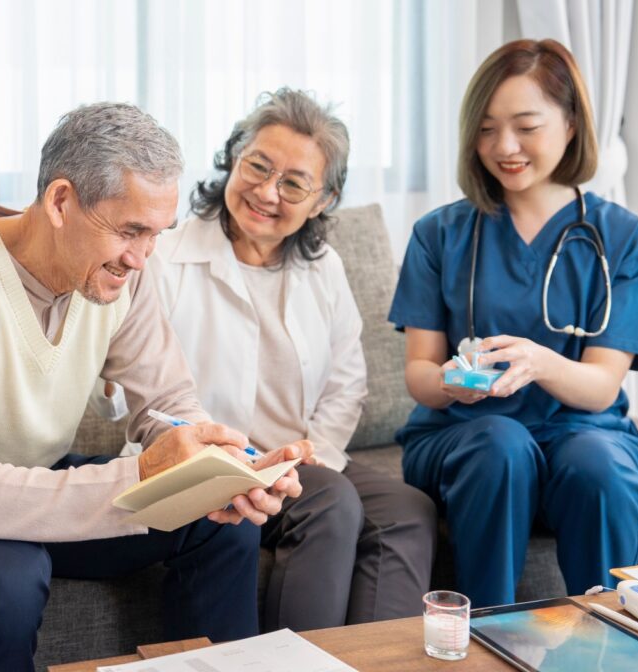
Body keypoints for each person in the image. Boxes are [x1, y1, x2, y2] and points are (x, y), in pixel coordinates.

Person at [0, 102, 310, 671]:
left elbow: (167, 405)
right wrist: (140, 474)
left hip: (29, 477)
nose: (141, 257)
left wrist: (219, 470)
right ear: (60, 201)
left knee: (214, 522)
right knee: (4, 575)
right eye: (129, 230)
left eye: (156, 234)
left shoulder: (126, 271)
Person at [103, 88, 437, 630]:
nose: (266, 191)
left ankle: (377, 665)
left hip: (301, 462)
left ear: (323, 200)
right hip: (207, 465)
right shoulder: (166, 257)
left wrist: (313, 457)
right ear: (233, 158)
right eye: (257, 166)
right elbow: (135, 393)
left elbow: (347, 384)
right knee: (331, 504)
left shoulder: (324, 267)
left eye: (294, 183)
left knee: (406, 511)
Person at [389, 40, 638, 608]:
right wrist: (453, 383)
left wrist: (538, 362)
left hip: (579, 433)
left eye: (525, 126)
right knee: (501, 442)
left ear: (570, 125)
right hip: (463, 439)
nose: (504, 147)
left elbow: (601, 388)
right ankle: (486, 634)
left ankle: (612, 641)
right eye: (487, 129)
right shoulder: (439, 234)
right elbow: (419, 373)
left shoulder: (628, 242)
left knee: (597, 467)